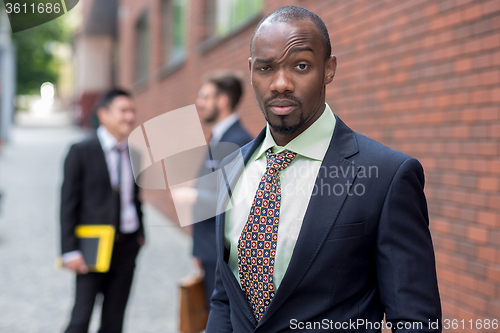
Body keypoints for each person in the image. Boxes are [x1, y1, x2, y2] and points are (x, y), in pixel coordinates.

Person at [206, 6, 441, 332]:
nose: (281, 83)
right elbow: (225, 297)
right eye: (266, 68)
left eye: (300, 66)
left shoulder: (386, 175)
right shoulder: (232, 165)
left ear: (329, 68)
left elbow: (415, 319)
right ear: (250, 71)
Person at [60, 88, 145, 333]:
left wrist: (140, 232)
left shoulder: (134, 151)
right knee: (81, 317)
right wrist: (69, 250)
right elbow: (68, 203)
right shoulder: (81, 151)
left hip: (127, 245)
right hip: (93, 243)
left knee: (114, 320)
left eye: (132, 111)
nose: (129, 117)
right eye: (123, 111)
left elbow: (135, 197)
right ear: (104, 114)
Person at [192, 72, 252, 308]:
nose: (199, 102)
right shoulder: (221, 137)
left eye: (204, 96)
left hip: (222, 255)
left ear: (223, 101)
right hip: (209, 249)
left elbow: (232, 198)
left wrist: (193, 196)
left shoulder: (237, 141)